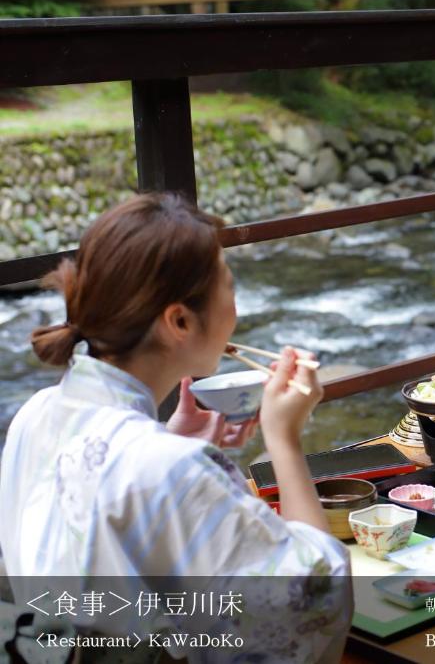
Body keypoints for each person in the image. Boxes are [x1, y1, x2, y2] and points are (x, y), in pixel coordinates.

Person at [0, 193, 351, 662]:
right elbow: (313, 598)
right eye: (229, 286)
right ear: (179, 320)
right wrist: (283, 438)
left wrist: (165, 437)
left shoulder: (37, 413)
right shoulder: (170, 466)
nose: (236, 307)